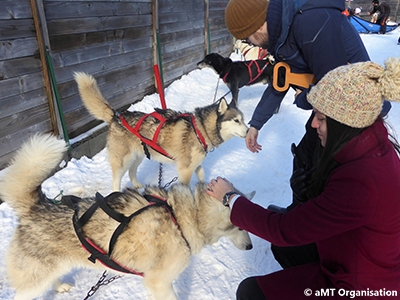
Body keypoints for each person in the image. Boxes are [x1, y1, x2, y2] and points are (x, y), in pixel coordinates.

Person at [207, 57, 400, 300]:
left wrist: (230, 197)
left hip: (361, 286)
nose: (314, 124)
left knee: (251, 292)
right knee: (285, 247)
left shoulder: (362, 181)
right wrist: (306, 194)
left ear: (345, 122)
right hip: (353, 255)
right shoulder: (368, 145)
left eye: (321, 117)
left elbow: (283, 230)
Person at [224, 0, 391, 268]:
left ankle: (314, 245)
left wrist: (303, 100)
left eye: (252, 35)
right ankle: (300, 222)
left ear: (261, 22)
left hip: (354, 113)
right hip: (332, 109)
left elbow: (334, 88)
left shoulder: (310, 21)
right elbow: (281, 80)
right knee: (304, 159)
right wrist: (256, 123)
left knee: (319, 172)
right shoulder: (282, 33)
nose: (254, 43)